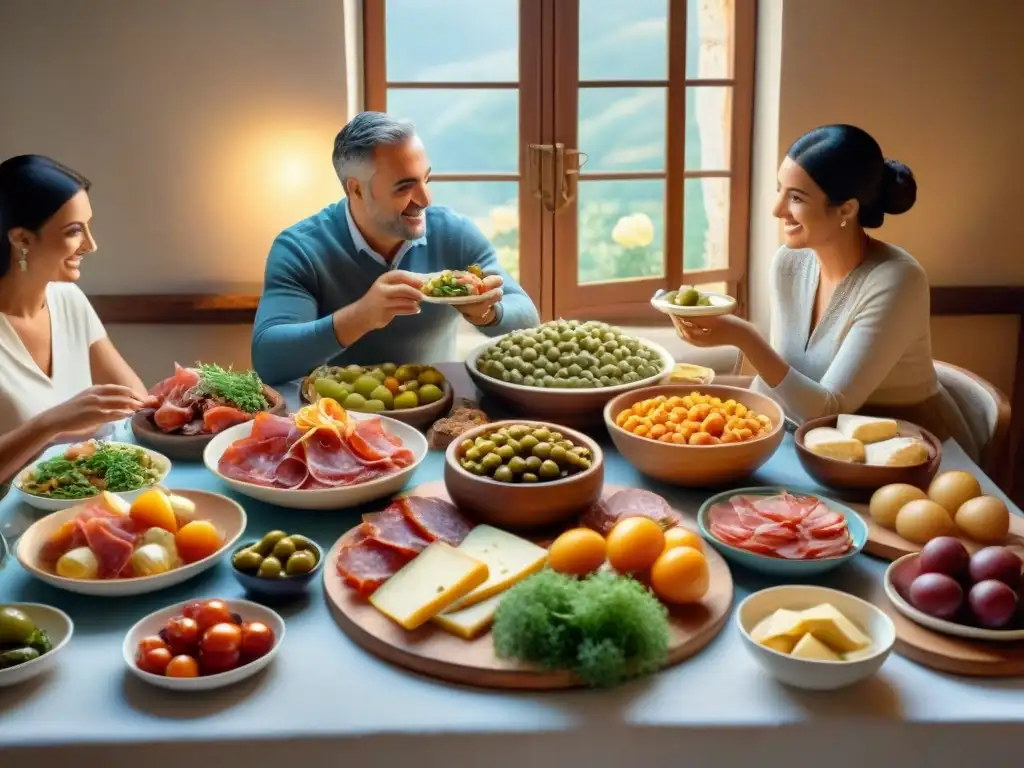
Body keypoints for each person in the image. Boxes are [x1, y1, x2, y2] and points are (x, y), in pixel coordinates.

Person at [674, 124, 976, 455]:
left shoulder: (897, 281)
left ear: (847, 209)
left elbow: (828, 409)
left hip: (907, 454)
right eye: (780, 189)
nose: (777, 209)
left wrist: (744, 337)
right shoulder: (789, 262)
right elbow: (789, 385)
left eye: (796, 197)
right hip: (814, 444)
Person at [251, 111, 540, 385]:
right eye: (404, 187)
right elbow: (269, 359)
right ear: (356, 189)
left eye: (426, 179)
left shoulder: (456, 234)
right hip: (337, 421)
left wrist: (488, 312)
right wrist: (361, 316)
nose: (425, 199)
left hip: (437, 409)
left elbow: (527, 319)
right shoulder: (300, 249)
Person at [0, 155, 149, 488]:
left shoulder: (68, 298)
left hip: (83, 501)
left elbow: (133, 400)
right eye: (73, 231)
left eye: (88, 227)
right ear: (21, 239)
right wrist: (51, 423)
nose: (91, 245)